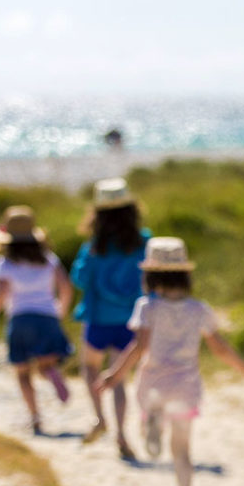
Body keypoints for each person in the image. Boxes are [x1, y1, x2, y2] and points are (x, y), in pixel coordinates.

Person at [98, 237, 244, 486]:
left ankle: (152, 422)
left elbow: (139, 347)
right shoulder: (198, 309)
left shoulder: (147, 307)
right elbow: (219, 348)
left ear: (149, 275)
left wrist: (115, 374)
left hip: (153, 382)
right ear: (185, 275)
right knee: (182, 450)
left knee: (152, 411)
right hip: (185, 386)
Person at [71, 178, 149, 459]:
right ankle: (121, 435)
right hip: (130, 320)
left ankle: (98, 417)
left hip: (98, 318)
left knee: (90, 368)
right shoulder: (143, 242)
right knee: (118, 378)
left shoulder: (94, 247)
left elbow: (79, 278)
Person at [0, 205, 75, 435]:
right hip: (47, 317)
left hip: (20, 319)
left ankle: (35, 418)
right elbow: (66, 288)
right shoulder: (48, 259)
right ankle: (51, 372)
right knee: (45, 364)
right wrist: (59, 312)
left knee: (23, 373)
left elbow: (1, 293)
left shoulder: (5, 264)